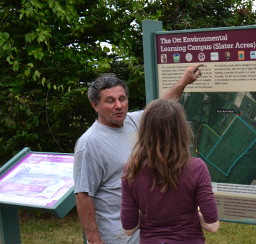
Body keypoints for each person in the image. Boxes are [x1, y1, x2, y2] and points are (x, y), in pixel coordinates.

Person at [73, 64, 203, 244]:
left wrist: (184, 82)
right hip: (116, 237)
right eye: (110, 101)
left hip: (144, 233)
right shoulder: (89, 143)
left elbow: (161, 108)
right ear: (95, 105)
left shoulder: (133, 121)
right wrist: (95, 240)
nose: (119, 106)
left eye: (122, 98)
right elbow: (83, 195)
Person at [121, 98, 219, 244]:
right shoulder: (197, 168)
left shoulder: (131, 169)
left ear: (145, 131)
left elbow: (129, 228)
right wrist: (190, 215)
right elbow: (212, 225)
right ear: (182, 130)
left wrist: (152, 215)